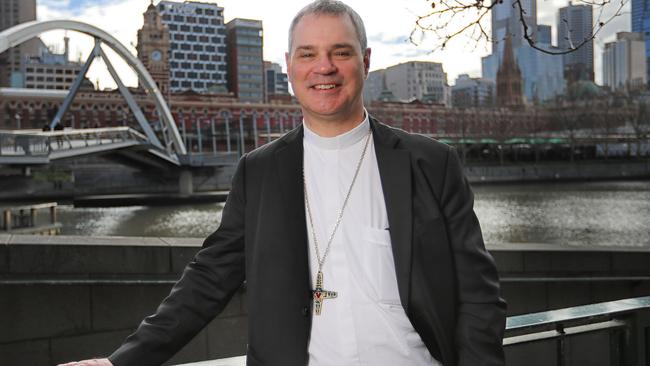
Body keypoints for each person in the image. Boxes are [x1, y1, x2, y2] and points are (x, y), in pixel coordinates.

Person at [59, 1, 505, 365]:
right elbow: (209, 279)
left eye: (341, 52)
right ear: (289, 67)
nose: (324, 68)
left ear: (365, 62)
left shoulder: (431, 162)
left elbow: (478, 296)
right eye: (308, 54)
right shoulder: (259, 171)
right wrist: (122, 362)